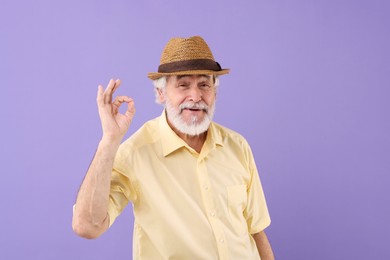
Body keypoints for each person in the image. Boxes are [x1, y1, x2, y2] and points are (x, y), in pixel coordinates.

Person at [72, 36, 274, 260]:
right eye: (183, 84)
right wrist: (109, 140)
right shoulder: (136, 153)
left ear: (214, 92)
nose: (196, 96)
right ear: (161, 93)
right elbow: (86, 226)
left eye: (204, 84)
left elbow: (255, 230)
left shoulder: (237, 146)